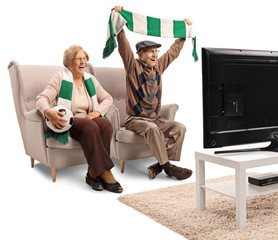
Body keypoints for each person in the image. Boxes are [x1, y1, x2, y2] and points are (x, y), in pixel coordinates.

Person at [113, 6, 192, 180]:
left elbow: (173, 53)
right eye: (151, 51)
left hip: (155, 119)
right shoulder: (133, 67)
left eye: (156, 51)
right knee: (152, 128)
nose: (155, 54)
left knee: (180, 128)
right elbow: (124, 48)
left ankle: (161, 165)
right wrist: (119, 24)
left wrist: (183, 34)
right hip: (136, 120)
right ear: (140, 54)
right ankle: (169, 168)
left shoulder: (158, 66)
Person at [36, 45, 123, 193]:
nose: (83, 62)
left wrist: (96, 112)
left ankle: (93, 173)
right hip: (70, 120)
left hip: (89, 119)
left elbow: (107, 98)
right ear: (68, 63)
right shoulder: (60, 77)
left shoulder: (90, 79)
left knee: (105, 124)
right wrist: (48, 112)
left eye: (85, 58)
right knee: (90, 127)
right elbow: (41, 98)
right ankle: (105, 171)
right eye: (79, 59)